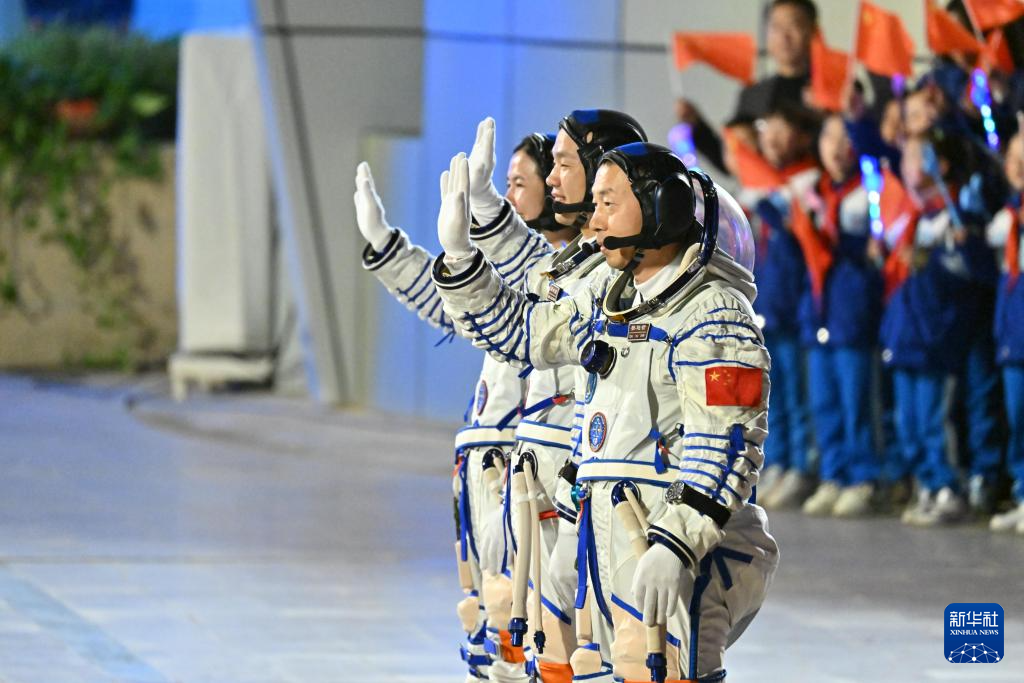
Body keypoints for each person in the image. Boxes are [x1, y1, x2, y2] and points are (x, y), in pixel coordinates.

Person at [432, 141, 777, 682]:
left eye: (609, 204)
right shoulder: (608, 302)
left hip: (675, 536)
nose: (593, 221)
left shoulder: (714, 315)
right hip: (606, 528)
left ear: (661, 208)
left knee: (659, 667)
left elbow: (726, 444)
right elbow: (523, 333)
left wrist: (677, 543)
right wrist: (460, 261)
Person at [353, 133, 556, 681]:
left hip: (526, 471)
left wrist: (485, 217)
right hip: (485, 467)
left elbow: (509, 287)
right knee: (485, 613)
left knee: (525, 617)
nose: (510, 195)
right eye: (504, 184)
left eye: (520, 183)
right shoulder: (516, 270)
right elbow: (453, 304)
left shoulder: (561, 273)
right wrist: (387, 247)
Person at [463, 110, 648, 683]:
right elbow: (519, 313)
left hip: (590, 478)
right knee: (537, 623)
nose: (551, 179)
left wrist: (475, 237)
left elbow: (524, 328)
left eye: (563, 165)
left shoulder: (625, 280)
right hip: (541, 467)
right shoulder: (571, 267)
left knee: (613, 640)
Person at [879, 130, 990, 527]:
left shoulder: (959, 211)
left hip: (936, 338)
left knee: (933, 420)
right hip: (908, 335)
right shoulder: (915, 216)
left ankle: (948, 487)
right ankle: (926, 483)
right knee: (908, 421)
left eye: (914, 156)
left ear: (939, 165)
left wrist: (943, 255)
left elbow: (975, 272)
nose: (905, 164)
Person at [792, 114, 884, 517]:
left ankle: (863, 478)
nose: (837, 146)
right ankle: (833, 474)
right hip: (819, 311)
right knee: (824, 402)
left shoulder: (870, 192)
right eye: (830, 136)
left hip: (852, 312)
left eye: (846, 137)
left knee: (855, 402)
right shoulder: (813, 193)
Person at [743, 104, 819, 511]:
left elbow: (801, 239)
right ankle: (779, 460)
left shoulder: (807, 182)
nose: (771, 137)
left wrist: (771, 206)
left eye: (781, 127)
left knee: (799, 395)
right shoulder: (755, 185)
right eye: (766, 127)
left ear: (800, 136)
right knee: (772, 395)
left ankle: (803, 466)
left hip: (796, 306)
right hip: (766, 306)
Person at [677, 0, 817, 174]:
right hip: (762, 188)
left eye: (793, 25)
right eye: (776, 27)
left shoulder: (831, 93)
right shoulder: (754, 94)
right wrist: (696, 125)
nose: (784, 36)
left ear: (812, 31)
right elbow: (728, 161)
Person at [987, 124, 1024, 533]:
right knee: (1017, 418)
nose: (1017, 166)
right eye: (1013, 158)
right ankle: (1022, 492)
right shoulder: (1008, 216)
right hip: (1014, 336)